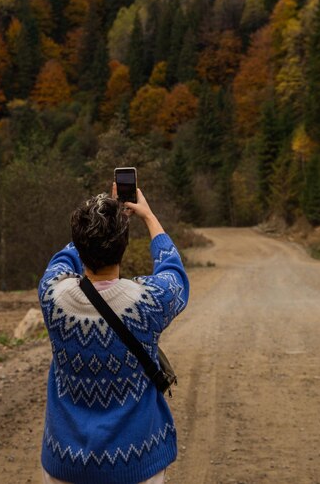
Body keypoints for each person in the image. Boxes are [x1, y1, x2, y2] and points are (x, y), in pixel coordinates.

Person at [38, 186, 189, 484]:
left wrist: (93, 226)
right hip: (137, 463)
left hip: (65, 463)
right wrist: (147, 215)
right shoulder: (148, 302)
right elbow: (174, 271)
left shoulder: (52, 295)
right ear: (124, 245)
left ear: (81, 246)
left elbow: (61, 262)